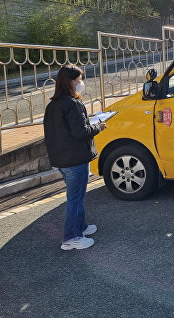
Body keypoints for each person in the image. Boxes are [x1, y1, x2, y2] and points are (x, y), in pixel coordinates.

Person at [43, 64, 107, 251]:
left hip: (62, 159)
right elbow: (81, 132)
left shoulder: (53, 105)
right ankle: (71, 237)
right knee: (75, 199)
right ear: (70, 81)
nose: (81, 83)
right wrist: (99, 126)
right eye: (79, 80)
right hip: (75, 159)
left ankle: (81, 226)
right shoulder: (73, 104)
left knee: (76, 196)